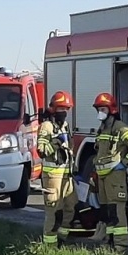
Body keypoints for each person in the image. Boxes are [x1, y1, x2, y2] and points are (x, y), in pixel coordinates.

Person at [91, 91, 128, 255]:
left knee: (117, 211)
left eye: (103, 109)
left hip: (115, 176)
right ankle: (108, 243)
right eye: (98, 109)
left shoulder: (119, 127)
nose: (100, 113)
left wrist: (125, 163)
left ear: (111, 110)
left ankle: (120, 246)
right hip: (103, 177)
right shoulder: (102, 129)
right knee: (107, 211)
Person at [38, 91, 77, 246]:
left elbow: (70, 147)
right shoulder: (46, 126)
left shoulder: (65, 126)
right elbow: (41, 151)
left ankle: (62, 239)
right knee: (54, 210)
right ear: (53, 109)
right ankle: (50, 246)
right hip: (52, 176)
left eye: (66, 109)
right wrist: (56, 143)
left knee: (70, 207)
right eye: (61, 108)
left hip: (67, 175)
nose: (64, 112)